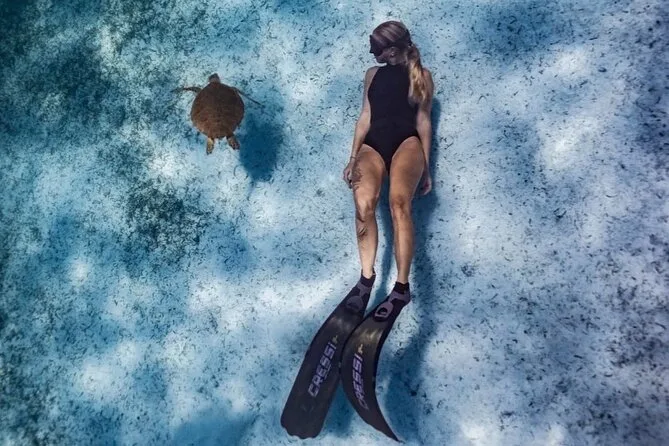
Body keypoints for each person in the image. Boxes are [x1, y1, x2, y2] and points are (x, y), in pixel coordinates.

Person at [342, 20, 434, 303]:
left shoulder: (423, 76)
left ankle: (401, 288)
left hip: (407, 143)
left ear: (391, 50)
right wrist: (353, 157)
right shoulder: (372, 75)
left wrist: (427, 168)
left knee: (399, 205)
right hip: (373, 145)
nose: (372, 53)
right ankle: (366, 279)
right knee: (363, 205)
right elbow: (365, 117)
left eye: (376, 48)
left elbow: (423, 121)